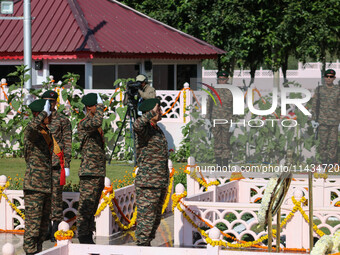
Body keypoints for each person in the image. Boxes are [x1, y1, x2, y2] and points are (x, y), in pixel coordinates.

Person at [133, 98, 169, 246]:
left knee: (154, 220)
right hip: (148, 183)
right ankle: (142, 246)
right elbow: (136, 125)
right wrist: (150, 113)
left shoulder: (156, 129)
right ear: (150, 112)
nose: (160, 112)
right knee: (145, 221)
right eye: (158, 109)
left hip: (159, 181)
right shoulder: (144, 129)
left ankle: (146, 245)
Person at [41, 90, 72, 242]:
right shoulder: (38, 119)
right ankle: (45, 229)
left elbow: (67, 142)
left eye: (51, 102)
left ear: (55, 103)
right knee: (43, 197)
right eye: (46, 101)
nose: (49, 104)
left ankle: (55, 227)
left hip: (56, 164)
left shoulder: (62, 120)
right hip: (41, 165)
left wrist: (66, 164)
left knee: (56, 197)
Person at [23, 99, 53, 255]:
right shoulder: (33, 132)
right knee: (32, 228)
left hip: (45, 185)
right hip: (34, 186)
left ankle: (38, 252)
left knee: (42, 228)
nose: (50, 115)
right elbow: (30, 128)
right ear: (38, 114)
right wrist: (43, 113)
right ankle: (29, 252)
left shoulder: (45, 131)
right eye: (47, 113)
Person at [77, 93, 106, 244]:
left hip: (97, 171)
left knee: (92, 207)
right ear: (89, 107)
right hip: (89, 172)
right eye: (96, 105)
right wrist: (100, 108)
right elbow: (97, 121)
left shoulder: (95, 123)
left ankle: (88, 235)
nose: (100, 108)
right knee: (86, 207)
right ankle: (83, 236)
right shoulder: (84, 123)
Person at [206, 70, 234, 167]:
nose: (222, 81)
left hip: (227, 120)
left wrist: (234, 122)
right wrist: (207, 119)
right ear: (217, 79)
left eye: (224, 79)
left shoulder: (231, 90)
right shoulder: (213, 90)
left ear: (227, 79)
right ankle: (218, 164)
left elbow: (235, 107)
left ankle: (225, 164)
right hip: (215, 120)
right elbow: (209, 105)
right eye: (220, 79)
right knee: (217, 142)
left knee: (226, 143)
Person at [312, 69, 339, 165]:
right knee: (323, 144)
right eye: (327, 76)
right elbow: (315, 105)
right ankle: (323, 164)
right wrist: (314, 119)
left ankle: (332, 163)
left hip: (334, 122)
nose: (328, 78)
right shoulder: (319, 89)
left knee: (333, 144)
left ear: (334, 78)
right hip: (322, 121)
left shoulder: (338, 90)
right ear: (324, 77)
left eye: (331, 77)